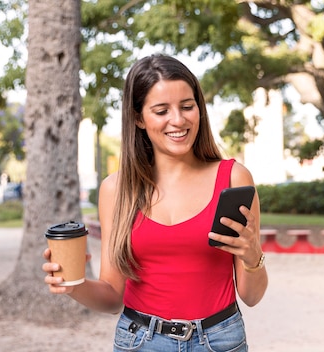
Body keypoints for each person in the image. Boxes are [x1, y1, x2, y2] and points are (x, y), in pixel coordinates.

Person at [42, 54, 268, 351]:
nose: (178, 120)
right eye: (161, 111)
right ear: (138, 118)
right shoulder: (116, 189)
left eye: (187, 106)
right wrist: (73, 284)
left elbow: (251, 297)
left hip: (220, 340)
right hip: (140, 341)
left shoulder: (234, 178)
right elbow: (112, 297)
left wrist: (253, 255)